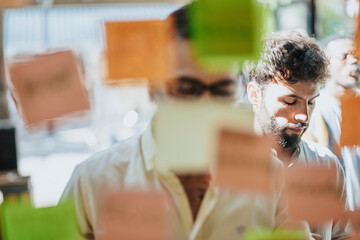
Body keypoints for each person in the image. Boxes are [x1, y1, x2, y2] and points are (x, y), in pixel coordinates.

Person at [61, 5, 292, 240]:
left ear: (241, 89)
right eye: (187, 89)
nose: (206, 106)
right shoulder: (94, 180)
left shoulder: (271, 177)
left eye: (222, 90)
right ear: (153, 86)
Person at [245, 31, 351, 240]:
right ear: (255, 95)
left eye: (311, 102)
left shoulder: (326, 164)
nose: (303, 115)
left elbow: (343, 234)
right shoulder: (223, 167)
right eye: (290, 102)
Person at [305, 36, 360, 210]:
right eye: (345, 56)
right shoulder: (312, 109)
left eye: (357, 56)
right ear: (326, 64)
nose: (354, 62)